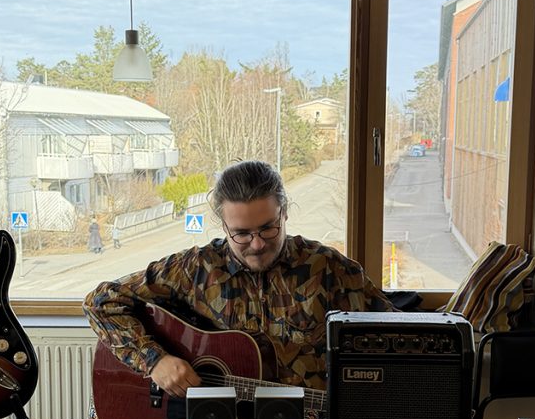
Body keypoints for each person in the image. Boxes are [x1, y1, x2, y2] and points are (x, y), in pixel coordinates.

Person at [83, 160, 395, 402]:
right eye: (242, 234)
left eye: (268, 228)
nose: (257, 244)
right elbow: (101, 302)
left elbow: (399, 343)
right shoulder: (195, 268)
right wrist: (155, 360)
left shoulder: (331, 270)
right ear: (223, 225)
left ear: (284, 213)